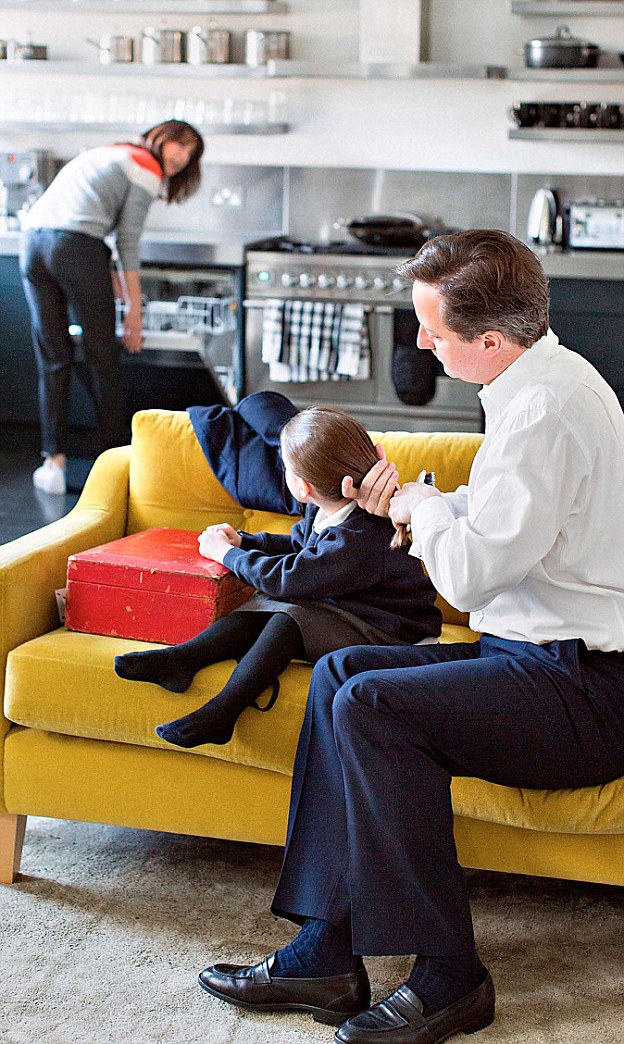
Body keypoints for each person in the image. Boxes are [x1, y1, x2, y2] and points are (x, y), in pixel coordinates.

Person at [196, 230, 624, 1042]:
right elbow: (519, 526)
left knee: (374, 706)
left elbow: (467, 580)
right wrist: (425, 500)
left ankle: (451, 977)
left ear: (490, 340)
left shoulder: (543, 412)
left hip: (586, 689)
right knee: (341, 674)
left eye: (434, 330)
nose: (422, 342)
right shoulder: (541, 384)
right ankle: (326, 951)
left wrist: (423, 512)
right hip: (541, 660)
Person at [114, 405, 442, 748]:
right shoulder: (331, 509)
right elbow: (301, 547)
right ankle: (182, 660)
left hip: (395, 635)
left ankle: (222, 712)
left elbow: (288, 578)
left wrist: (225, 554)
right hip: (358, 611)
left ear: (302, 487)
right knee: (268, 605)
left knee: (290, 615)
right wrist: (246, 541)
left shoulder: (359, 537)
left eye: (285, 467)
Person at [19, 119, 204, 495]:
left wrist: (111, 278)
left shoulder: (107, 153)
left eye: (190, 154)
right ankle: (118, 462)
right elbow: (128, 242)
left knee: (54, 357)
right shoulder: (146, 167)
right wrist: (134, 309)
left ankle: (52, 463)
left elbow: (78, 223)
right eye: (179, 145)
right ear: (158, 138)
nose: (182, 157)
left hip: (32, 245)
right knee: (104, 355)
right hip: (75, 249)